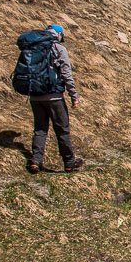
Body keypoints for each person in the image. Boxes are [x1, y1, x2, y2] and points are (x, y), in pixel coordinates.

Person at [26, 23, 84, 174]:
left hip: (35, 96)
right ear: (58, 34)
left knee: (40, 130)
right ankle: (69, 163)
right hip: (54, 97)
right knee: (62, 130)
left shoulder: (34, 47)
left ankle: (35, 161)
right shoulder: (59, 48)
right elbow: (66, 74)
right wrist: (74, 96)